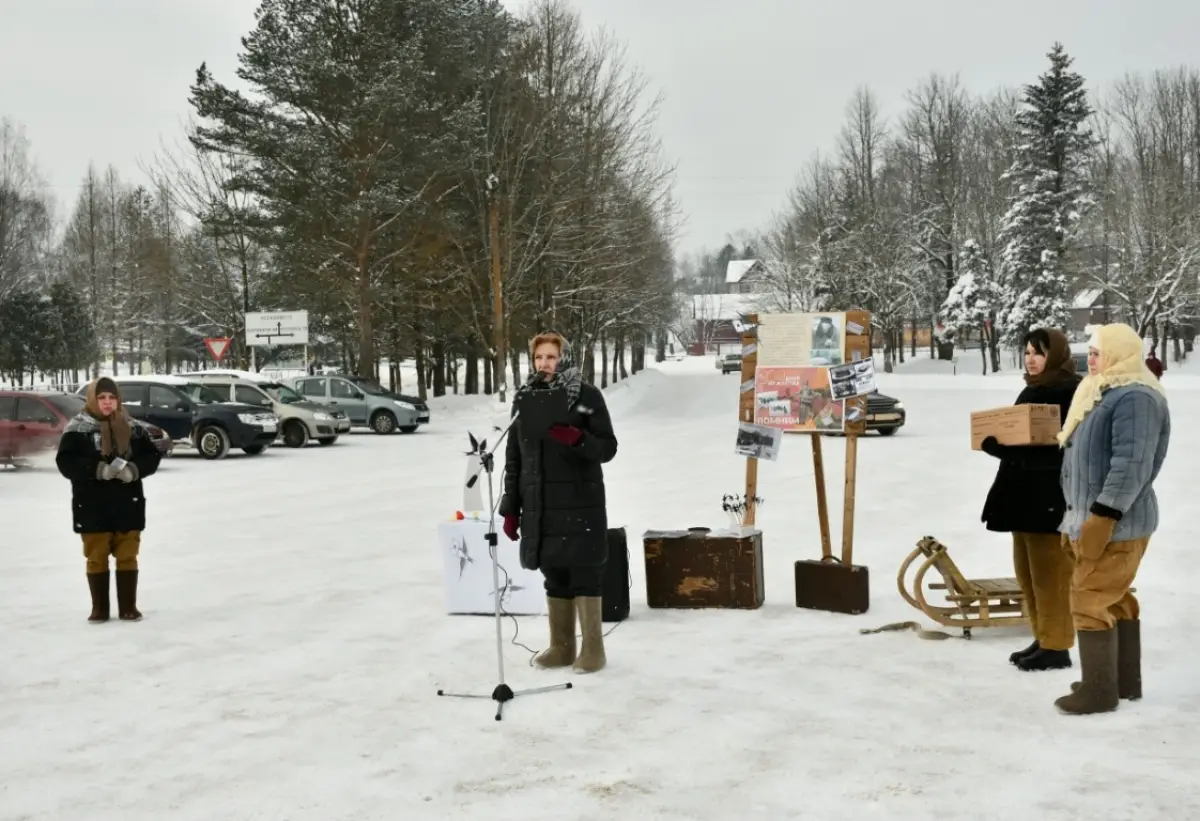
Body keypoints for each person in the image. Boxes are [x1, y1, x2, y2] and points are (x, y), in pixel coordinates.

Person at [1054, 323, 1170, 715]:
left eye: (1098, 353)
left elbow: (1131, 464)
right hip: (1092, 518)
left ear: (1121, 353)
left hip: (1116, 523)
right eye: (1089, 352)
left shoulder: (1136, 397)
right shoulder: (1102, 391)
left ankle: (1099, 691)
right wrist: (1075, 519)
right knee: (1114, 599)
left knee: (1088, 598)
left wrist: (1102, 517)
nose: (1091, 359)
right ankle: (1119, 682)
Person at [499, 332, 618, 674]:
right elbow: (514, 459)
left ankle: (593, 651)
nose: (544, 364)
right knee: (553, 573)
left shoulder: (586, 396)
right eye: (539, 358)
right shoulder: (525, 398)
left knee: (584, 572)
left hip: (580, 503)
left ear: (563, 358)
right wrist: (511, 508)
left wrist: (579, 438)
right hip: (541, 505)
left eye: (551, 357)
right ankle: (562, 647)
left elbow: (608, 448)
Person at [979, 328, 1081, 671]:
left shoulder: (1071, 392)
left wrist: (1008, 452)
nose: (1031, 359)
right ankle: (1043, 637)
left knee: (1052, 578)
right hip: (1023, 498)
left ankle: (1057, 647)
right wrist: (1000, 445)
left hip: (1050, 499)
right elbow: (1021, 439)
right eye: (1027, 353)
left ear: (1056, 355)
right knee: (1029, 576)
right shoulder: (1033, 389)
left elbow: (1064, 451)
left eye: (1039, 352)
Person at [56, 377, 162, 623]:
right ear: (92, 399)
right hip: (92, 504)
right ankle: (99, 609)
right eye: (101, 397)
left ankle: (128, 607)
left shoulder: (133, 427)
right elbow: (66, 462)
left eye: (112, 397)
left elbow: (152, 456)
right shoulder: (77, 429)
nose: (107, 402)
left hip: (127, 502)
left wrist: (134, 470)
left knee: (128, 555)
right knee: (96, 556)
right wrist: (97, 470)